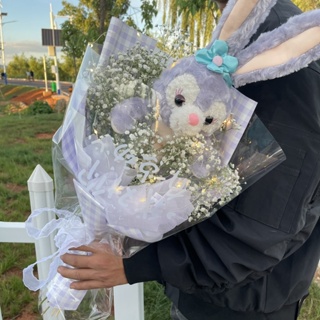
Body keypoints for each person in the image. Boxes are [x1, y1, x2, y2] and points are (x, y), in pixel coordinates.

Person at [58, 1, 320, 319]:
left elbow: (263, 225)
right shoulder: (244, 30)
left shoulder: (288, 66)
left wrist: (136, 265)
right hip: (216, 291)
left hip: (239, 303)